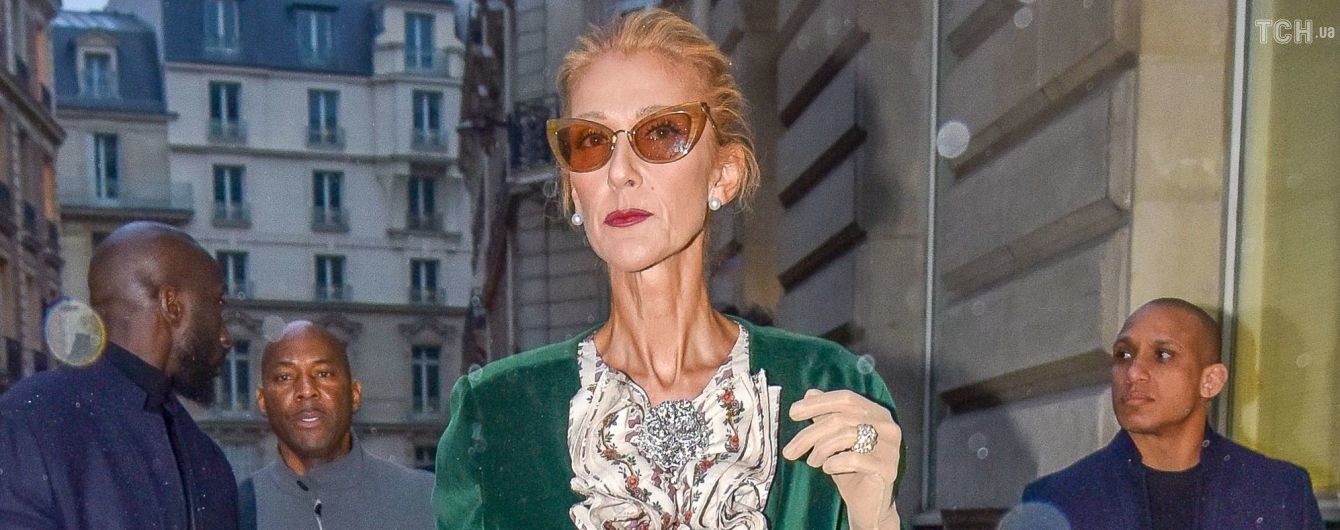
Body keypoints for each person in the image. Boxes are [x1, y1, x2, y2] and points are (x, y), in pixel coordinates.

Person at [434, 8, 902, 529]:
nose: (620, 172)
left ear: (723, 175)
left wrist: (876, 514)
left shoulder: (826, 388)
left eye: (660, 133)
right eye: (591, 141)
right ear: (573, 190)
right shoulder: (496, 413)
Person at [0, 221, 238, 529]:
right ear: (172, 305)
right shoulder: (28, 421)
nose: (226, 337)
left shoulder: (207, 457)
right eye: (217, 303)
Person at [1017, 298, 1324, 529]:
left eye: (1163, 355)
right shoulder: (1057, 500)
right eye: (1124, 354)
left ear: (1211, 381)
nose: (1134, 372)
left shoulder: (1278, 492)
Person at [241, 321, 434, 529]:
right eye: (284, 377)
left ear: (355, 394)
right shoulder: (237, 510)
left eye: (323, 374)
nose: (306, 390)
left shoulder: (425, 498)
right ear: (262, 401)